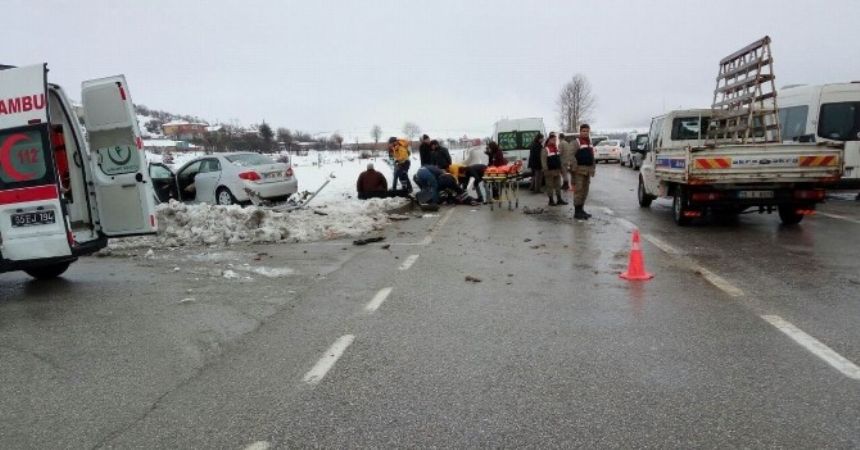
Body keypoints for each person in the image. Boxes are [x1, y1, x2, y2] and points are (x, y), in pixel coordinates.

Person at [571, 123, 596, 220]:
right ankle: (577, 212)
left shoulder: (589, 143)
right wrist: (575, 167)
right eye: (583, 131)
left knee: (585, 191)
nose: (585, 133)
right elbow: (571, 155)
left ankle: (581, 209)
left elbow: (592, 156)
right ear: (580, 132)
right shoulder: (576, 142)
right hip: (579, 171)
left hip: (587, 171)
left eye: (587, 131)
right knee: (579, 190)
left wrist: (593, 168)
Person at [541, 133, 567, 206]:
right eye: (553, 139)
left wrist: (561, 168)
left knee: (558, 185)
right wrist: (545, 170)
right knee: (550, 186)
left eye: (555, 140)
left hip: (557, 170)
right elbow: (543, 161)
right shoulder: (545, 149)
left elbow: (559, 159)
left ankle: (559, 199)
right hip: (549, 171)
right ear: (549, 140)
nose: (554, 141)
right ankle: (551, 200)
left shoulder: (556, 148)